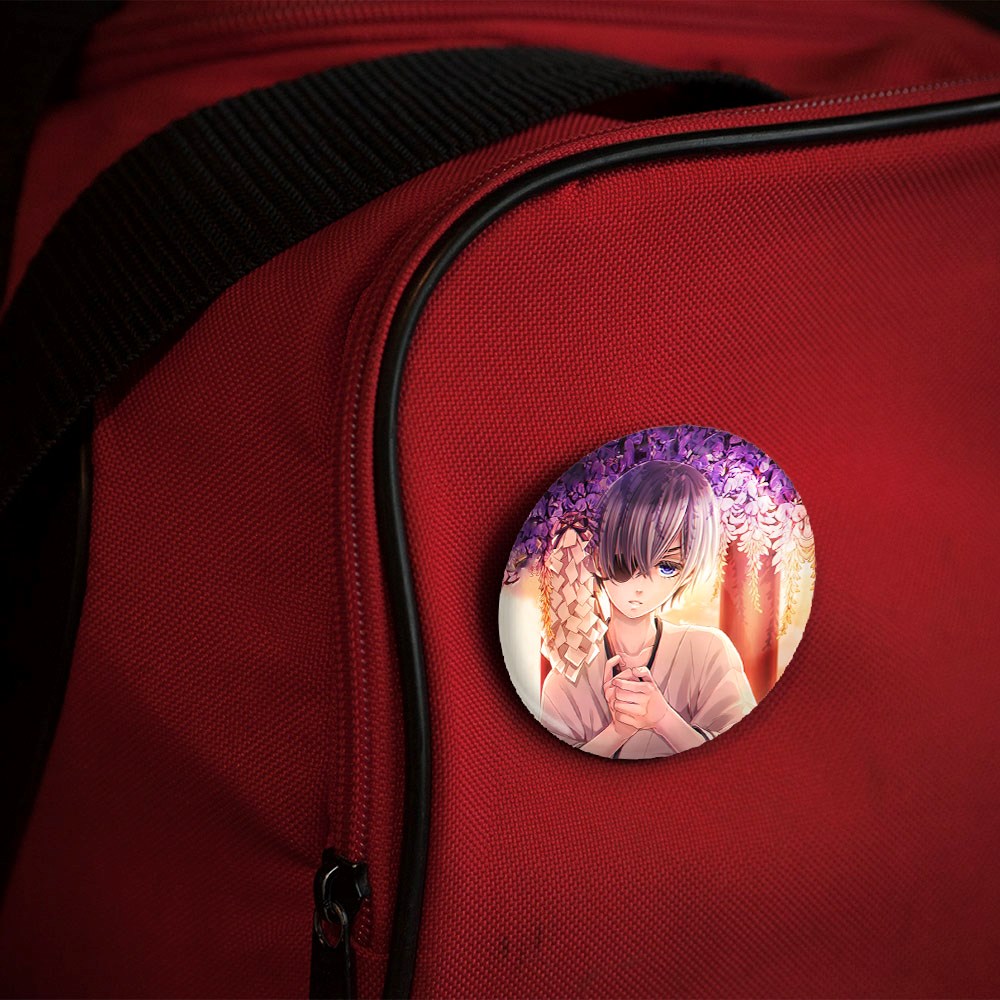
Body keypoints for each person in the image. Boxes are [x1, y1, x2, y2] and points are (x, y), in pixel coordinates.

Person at [539, 460, 756, 759]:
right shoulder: (569, 675)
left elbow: (742, 757)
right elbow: (553, 772)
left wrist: (663, 719)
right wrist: (618, 731)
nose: (640, 586)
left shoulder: (708, 651)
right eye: (623, 562)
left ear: (687, 571)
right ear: (595, 560)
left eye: (667, 566)